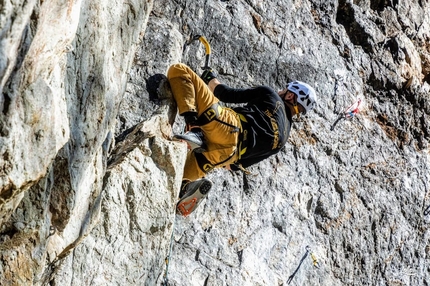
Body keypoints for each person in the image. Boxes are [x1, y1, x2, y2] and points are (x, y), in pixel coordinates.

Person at [167, 63, 317, 216]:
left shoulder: (270, 95)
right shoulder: (283, 140)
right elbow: (234, 167)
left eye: (285, 89)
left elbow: (225, 94)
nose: (281, 90)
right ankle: (186, 188)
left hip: (227, 126)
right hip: (226, 156)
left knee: (178, 70)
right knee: (173, 177)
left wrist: (210, 77)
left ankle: (195, 130)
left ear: (290, 95)